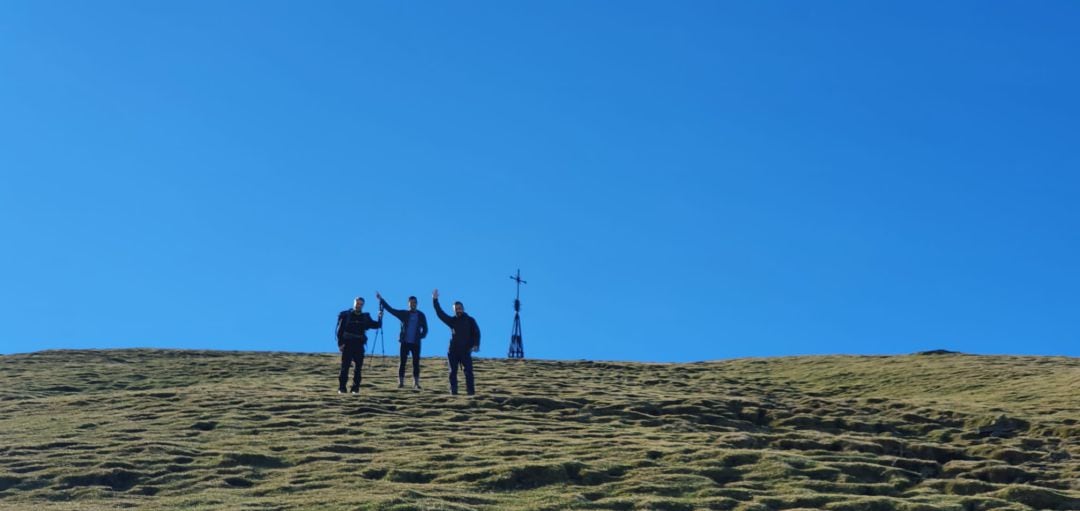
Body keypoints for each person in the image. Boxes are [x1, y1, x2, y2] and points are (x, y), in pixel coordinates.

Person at [432, 289, 480, 395]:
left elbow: (476, 333)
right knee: (452, 372)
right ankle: (453, 393)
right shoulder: (452, 321)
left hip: (465, 351)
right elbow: (440, 314)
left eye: (460, 308)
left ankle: (471, 393)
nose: (458, 310)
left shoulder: (470, 320)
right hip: (453, 351)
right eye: (456, 309)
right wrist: (435, 300)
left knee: (468, 372)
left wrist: (476, 345)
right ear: (454, 311)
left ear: (463, 308)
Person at [376, 292, 428, 389]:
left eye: (415, 302)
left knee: (416, 363)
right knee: (402, 362)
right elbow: (391, 310)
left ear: (417, 303)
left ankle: (416, 383)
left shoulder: (421, 315)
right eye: (411, 302)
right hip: (404, 342)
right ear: (408, 303)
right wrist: (381, 300)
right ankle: (401, 383)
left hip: (416, 343)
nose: (413, 304)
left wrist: (420, 336)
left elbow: (425, 328)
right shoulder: (404, 314)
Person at [335, 297, 382, 395]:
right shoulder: (346, 315)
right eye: (357, 303)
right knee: (345, 367)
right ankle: (342, 388)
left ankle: (355, 389)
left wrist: (380, 317)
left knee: (358, 368)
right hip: (347, 343)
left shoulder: (365, 317)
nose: (358, 305)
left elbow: (376, 325)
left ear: (363, 305)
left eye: (361, 304)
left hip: (359, 344)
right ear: (354, 303)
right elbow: (340, 331)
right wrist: (340, 343)